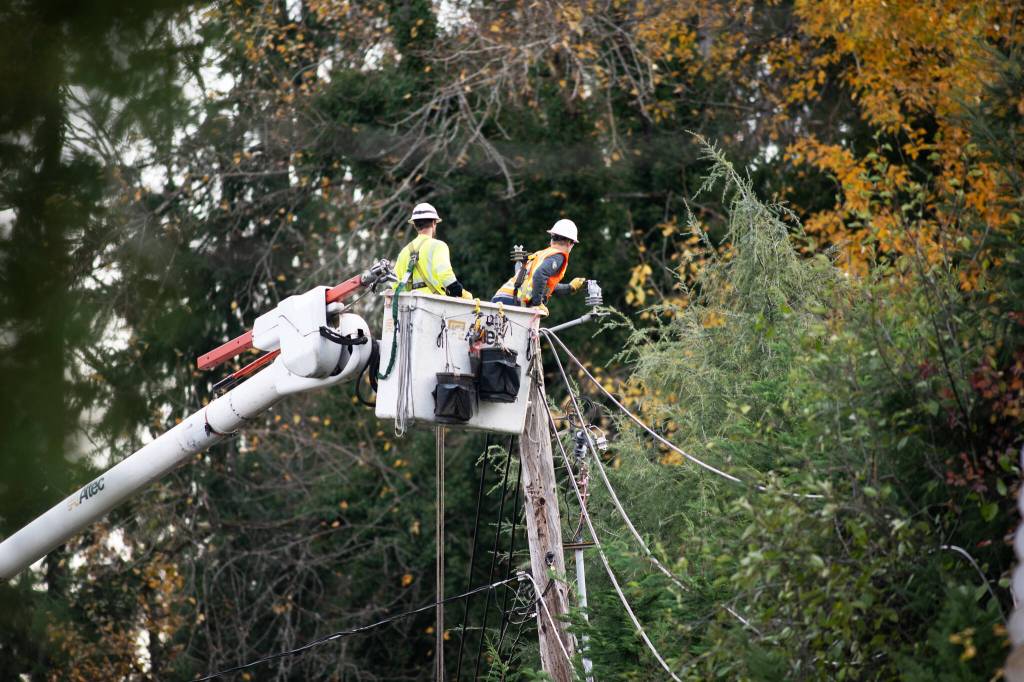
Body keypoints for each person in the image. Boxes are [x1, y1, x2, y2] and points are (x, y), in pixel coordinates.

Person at [491, 218, 586, 314]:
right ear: (570, 243)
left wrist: (569, 288)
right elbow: (539, 275)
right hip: (514, 301)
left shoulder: (540, 255)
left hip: (500, 298)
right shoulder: (558, 256)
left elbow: (541, 283)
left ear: (552, 238)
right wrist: (537, 303)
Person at [392, 202, 473, 299]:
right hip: (434, 304)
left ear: (414, 225)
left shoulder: (404, 252)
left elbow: (395, 284)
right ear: (434, 223)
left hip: (411, 305)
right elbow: (446, 276)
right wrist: (462, 293)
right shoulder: (438, 246)